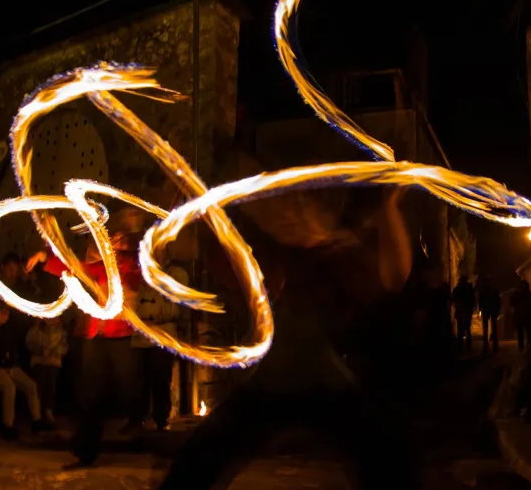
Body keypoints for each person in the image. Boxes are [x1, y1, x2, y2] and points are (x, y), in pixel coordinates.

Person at [160, 182, 421, 490]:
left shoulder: (341, 250)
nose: (293, 214)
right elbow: (232, 272)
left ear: (324, 212)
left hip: (329, 385)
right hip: (272, 383)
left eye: (304, 207)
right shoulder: (279, 250)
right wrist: (193, 207)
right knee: (197, 463)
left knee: (390, 463)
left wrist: (389, 207)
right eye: (291, 207)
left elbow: (394, 277)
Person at [26, 208, 144, 466]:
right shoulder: (101, 267)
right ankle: (86, 449)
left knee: (127, 388)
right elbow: (76, 268)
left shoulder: (133, 264)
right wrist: (45, 258)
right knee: (89, 393)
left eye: (120, 239)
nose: (115, 242)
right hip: (96, 336)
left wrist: (136, 235)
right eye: (114, 238)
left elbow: (141, 267)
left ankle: (136, 422)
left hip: (120, 337)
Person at [126, 264, 188, 432]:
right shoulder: (139, 273)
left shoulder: (176, 273)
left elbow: (178, 302)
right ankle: (137, 418)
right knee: (138, 379)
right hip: (141, 334)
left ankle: (161, 419)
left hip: (163, 334)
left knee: (161, 378)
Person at [0, 302, 48, 439]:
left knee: (31, 385)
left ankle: (36, 420)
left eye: (6, 314)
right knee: (9, 387)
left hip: (11, 366)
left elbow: (12, 350)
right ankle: (8, 424)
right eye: (1, 314)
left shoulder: (9, 330)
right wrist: (1, 359)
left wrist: (12, 361)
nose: (4, 317)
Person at [26, 316, 68, 427]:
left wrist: (54, 352)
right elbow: (29, 343)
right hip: (39, 361)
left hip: (53, 362)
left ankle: (48, 410)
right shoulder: (35, 330)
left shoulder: (61, 331)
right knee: (39, 385)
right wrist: (40, 350)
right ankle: (36, 412)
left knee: (51, 386)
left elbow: (64, 346)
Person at [478, 275, 501, 355]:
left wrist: (480, 309)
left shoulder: (484, 290)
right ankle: (493, 346)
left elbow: (480, 301)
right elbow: (498, 301)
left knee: (487, 329)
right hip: (491, 310)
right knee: (492, 328)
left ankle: (487, 347)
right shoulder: (493, 290)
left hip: (488, 310)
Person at [451, 276, 476, 352]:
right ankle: (467, 346)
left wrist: (457, 305)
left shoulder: (458, 289)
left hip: (462, 311)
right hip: (465, 311)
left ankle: (461, 346)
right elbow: (473, 300)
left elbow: (453, 300)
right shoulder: (468, 289)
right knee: (466, 328)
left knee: (461, 329)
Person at [509, 279, 531, 352]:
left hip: (526, 316)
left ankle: (525, 347)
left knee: (527, 332)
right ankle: (523, 347)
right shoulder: (521, 295)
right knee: (523, 333)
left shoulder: (527, 295)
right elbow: (511, 302)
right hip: (522, 316)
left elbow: (511, 303)